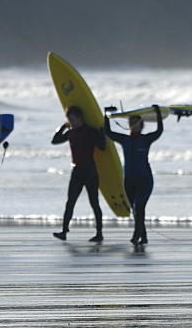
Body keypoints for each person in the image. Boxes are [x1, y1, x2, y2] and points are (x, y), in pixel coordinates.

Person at [103, 105, 163, 245]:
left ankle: (136, 236)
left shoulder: (146, 139)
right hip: (128, 180)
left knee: (138, 207)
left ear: (141, 126)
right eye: (130, 123)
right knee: (136, 210)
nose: (133, 126)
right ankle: (144, 237)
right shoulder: (124, 140)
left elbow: (159, 131)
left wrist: (158, 114)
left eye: (135, 123)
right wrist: (106, 115)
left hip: (144, 179)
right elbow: (108, 132)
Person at [51, 105, 106, 243]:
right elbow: (55, 141)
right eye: (69, 120)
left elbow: (102, 147)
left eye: (73, 120)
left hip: (89, 170)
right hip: (77, 171)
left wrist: (102, 133)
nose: (72, 123)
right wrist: (64, 127)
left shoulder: (89, 131)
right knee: (70, 202)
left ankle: (99, 233)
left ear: (80, 118)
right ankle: (64, 231)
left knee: (94, 202)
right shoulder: (71, 133)